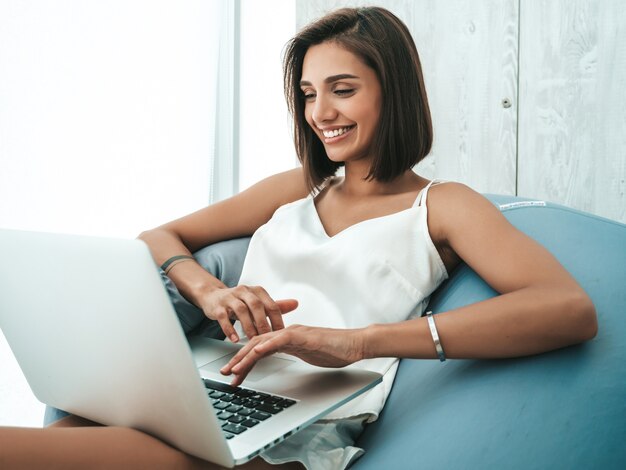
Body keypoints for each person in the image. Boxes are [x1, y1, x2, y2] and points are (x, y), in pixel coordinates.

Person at [0, 6, 597, 469]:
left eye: (342, 89)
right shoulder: (300, 187)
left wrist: (356, 343)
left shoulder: (441, 206)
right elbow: (159, 236)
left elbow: (566, 309)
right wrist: (210, 292)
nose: (320, 113)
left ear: (394, 91)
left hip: (294, 433)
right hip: (212, 388)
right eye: (309, 94)